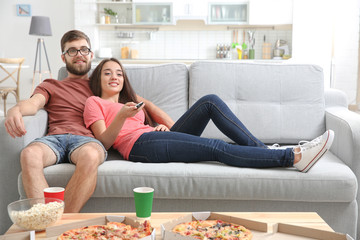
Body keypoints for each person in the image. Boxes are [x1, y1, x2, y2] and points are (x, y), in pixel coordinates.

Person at [3, 30, 168, 213]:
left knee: (90, 156)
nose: (79, 54)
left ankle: (59, 224)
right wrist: (14, 109)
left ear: (90, 54)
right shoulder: (51, 85)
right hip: (54, 139)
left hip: (86, 140)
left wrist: (170, 129)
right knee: (29, 154)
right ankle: (46, 220)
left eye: (83, 50)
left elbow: (142, 106)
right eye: (72, 51)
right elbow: (33, 105)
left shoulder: (104, 83)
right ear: (63, 57)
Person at [83, 58, 335, 173]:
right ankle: (291, 156)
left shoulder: (132, 103)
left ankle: (264, 150)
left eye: (118, 72)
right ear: (98, 79)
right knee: (216, 147)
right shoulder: (94, 102)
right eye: (107, 73)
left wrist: (161, 125)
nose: (114, 76)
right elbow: (104, 142)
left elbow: (160, 120)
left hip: (155, 138)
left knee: (210, 102)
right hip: (140, 146)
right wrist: (123, 117)